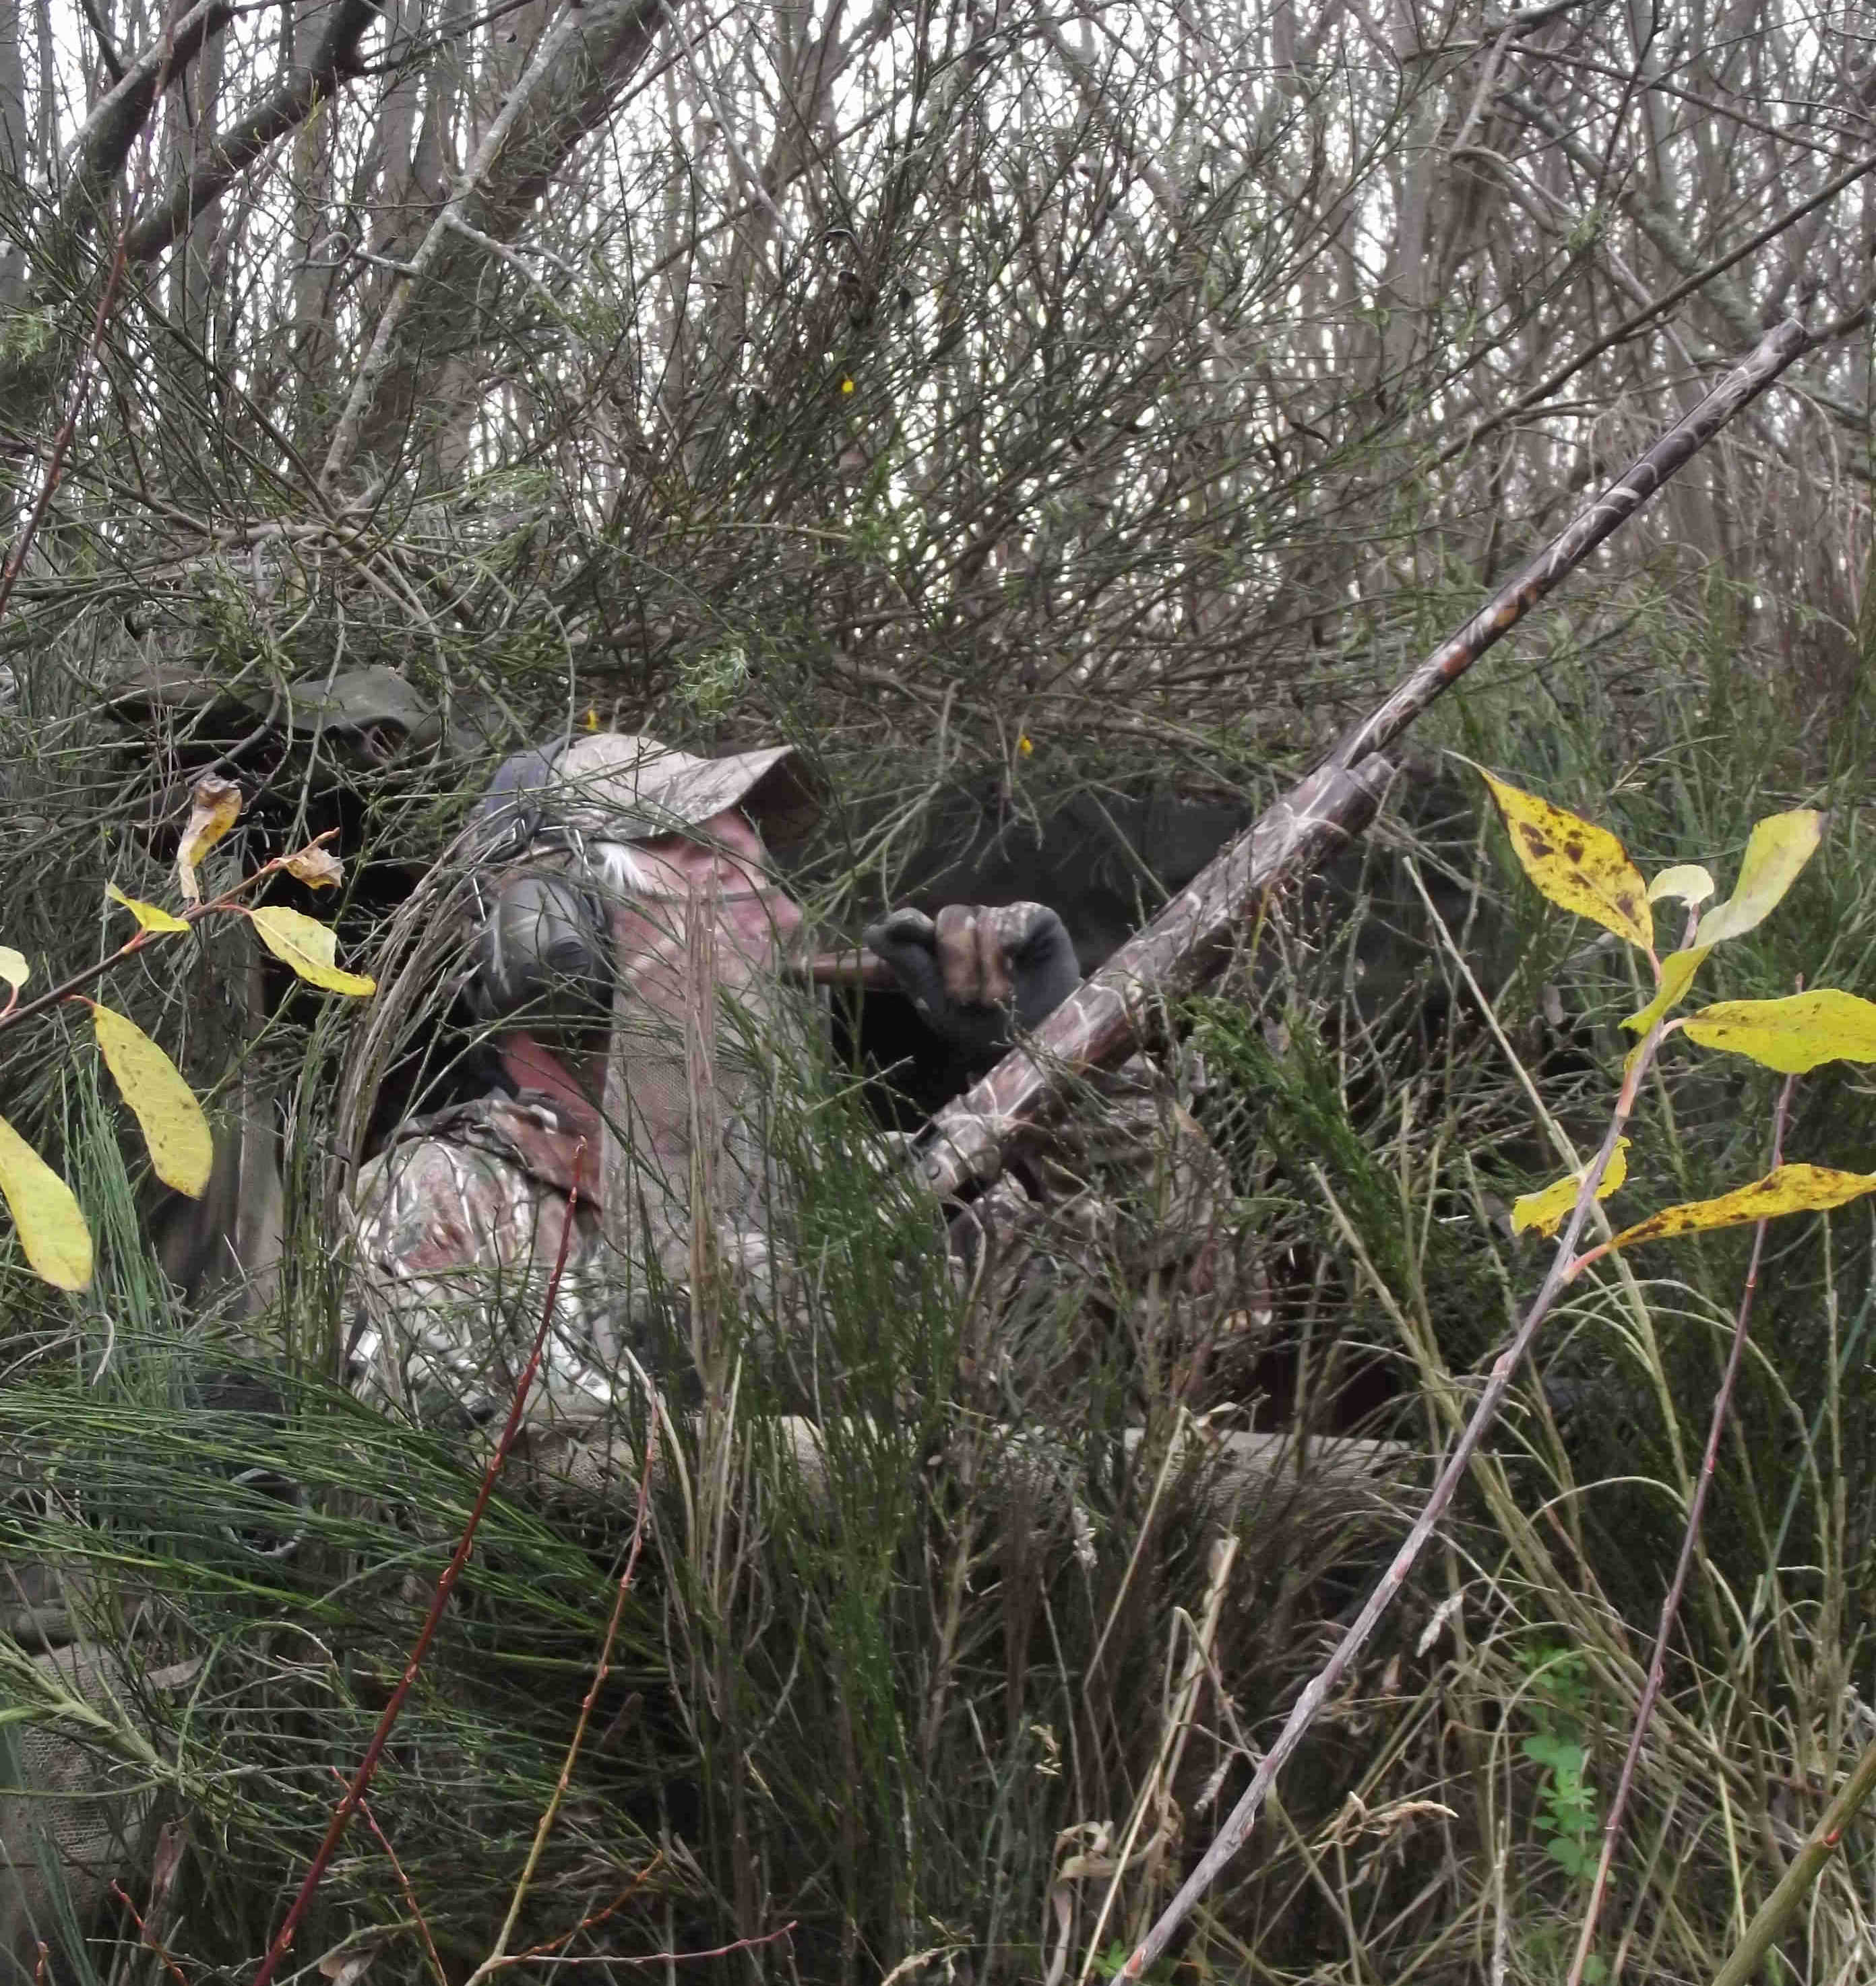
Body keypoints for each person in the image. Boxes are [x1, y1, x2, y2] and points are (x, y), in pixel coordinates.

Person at [342, 731, 1233, 1480]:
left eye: (765, 877)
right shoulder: (448, 1200)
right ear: (554, 931)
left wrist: (1076, 1066)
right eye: (715, 871)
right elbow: (493, 1520)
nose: (782, 917)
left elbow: (1181, 1340)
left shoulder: (855, 1182)